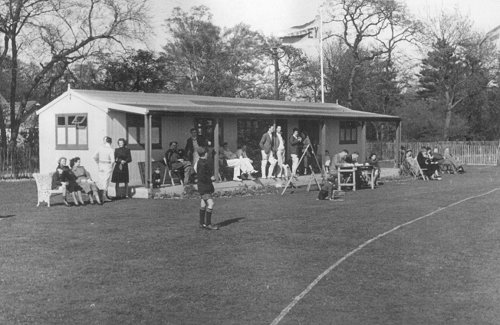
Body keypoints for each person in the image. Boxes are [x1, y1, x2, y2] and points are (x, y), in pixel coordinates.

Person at [196, 147, 219, 230]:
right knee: (211, 204)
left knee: (203, 204)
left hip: (202, 186)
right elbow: (202, 177)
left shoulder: (201, 162)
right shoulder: (202, 164)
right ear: (205, 153)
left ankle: (202, 224)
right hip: (204, 187)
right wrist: (211, 178)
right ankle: (208, 224)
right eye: (207, 153)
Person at [93, 136, 115, 202]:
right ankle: (104, 196)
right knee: (106, 181)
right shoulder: (111, 149)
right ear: (110, 142)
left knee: (101, 180)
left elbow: (94, 156)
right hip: (107, 165)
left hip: (101, 165)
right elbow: (113, 161)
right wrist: (111, 166)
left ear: (104, 141)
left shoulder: (100, 148)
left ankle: (101, 195)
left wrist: (98, 163)